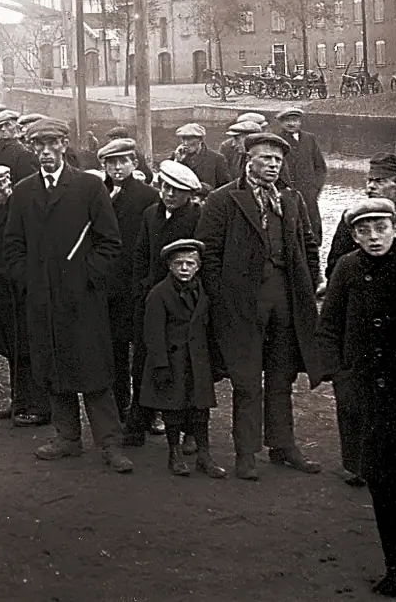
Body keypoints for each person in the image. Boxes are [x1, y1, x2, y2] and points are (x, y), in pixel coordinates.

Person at [314, 198, 396, 598]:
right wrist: (342, 377)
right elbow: (329, 329)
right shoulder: (347, 268)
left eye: (381, 228)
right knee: (381, 482)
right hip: (370, 396)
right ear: (354, 235)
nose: (374, 237)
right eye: (364, 230)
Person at [1, 118, 132, 473]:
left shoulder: (89, 187)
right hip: (42, 299)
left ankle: (109, 442)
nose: (45, 152)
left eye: (51, 144)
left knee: (94, 371)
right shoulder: (25, 192)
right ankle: (67, 437)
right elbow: (12, 246)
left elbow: (110, 242)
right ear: (32, 149)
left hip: (82, 298)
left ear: (63, 145)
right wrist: (28, 279)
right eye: (38, 146)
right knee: (53, 367)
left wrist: (86, 275)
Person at [195, 132, 322, 480]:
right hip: (242, 307)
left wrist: (311, 283)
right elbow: (208, 256)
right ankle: (246, 453)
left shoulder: (291, 199)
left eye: (278, 160)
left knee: (282, 377)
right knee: (247, 381)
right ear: (248, 159)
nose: (272, 165)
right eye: (265, 158)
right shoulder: (224, 200)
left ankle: (283, 446)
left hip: (286, 301)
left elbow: (308, 245)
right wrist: (224, 301)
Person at [124, 160, 203, 447]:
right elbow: (140, 256)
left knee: (185, 366)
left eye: (177, 190)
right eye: (165, 187)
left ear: (188, 194)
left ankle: (190, 431)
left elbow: (198, 262)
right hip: (152, 301)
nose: (169, 194)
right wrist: (140, 292)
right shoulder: (150, 215)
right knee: (144, 361)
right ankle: (139, 422)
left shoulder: (196, 217)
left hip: (183, 304)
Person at [138, 238, 227, 479]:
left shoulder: (203, 292)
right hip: (173, 362)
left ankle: (204, 456)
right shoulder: (159, 294)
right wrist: (160, 365)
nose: (185, 268)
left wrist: (215, 362)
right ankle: (174, 454)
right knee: (173, 410)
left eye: (190, 263)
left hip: (197, 361)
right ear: (169, 266)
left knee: (201, 409)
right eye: (179, 264)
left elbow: (210, 328)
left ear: (198, 266)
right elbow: (153, 334)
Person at [0, 165, 46, 427]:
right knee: (10, 348)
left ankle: (39, 405)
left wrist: (15, 277)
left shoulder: (22, 211)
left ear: (9, 184)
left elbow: (30, 249)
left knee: (28, 347)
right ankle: (18, 399)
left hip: (20, 290)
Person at [97, 138, 160, 424]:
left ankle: (147, 411)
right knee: (114, 351)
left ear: (134, 163)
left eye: (122, 162)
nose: (117, 168)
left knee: (145, 352)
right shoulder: (99, 194)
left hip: (138, 285)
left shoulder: (148, 196)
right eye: (111, 163)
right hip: (109, 286)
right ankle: (121, 407)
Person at [323, 152, 396, 285]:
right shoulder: (354, 216)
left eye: (379, 181)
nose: (371, 186)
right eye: (369, 180)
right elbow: (335, 266)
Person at [274, 107, 327, 239]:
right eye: (288, 121)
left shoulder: (309, 139)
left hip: (308, 193)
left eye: (295, 120)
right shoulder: (276, 140)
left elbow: (320, 166)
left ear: (300, 122)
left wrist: (316, 188)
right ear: (281, 123)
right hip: (287, 192)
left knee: (312, 226)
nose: (292, 124)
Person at [171, 123, 230, 190]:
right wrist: (177, 161)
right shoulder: (176, 156)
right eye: (183, 139)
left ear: (201, 139)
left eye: (189, 139)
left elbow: (225, 187)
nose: (185, 143)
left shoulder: (217, 159)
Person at [0, 110, 39, 183]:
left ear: (16, 127)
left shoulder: (23, 152)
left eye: (8, 125)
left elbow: (26, 181)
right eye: (0, 126)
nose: (3, 129)